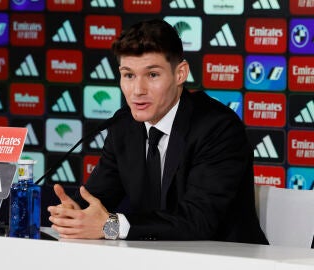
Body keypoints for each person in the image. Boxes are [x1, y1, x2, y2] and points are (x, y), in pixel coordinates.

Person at [47, 19, 269, 244]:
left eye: (152, 75)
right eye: (128, 75)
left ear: (180, 74)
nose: (138, 90)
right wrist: (74, 214)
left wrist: (111, 225)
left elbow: (198, 220)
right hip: (155, 257)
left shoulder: (218, 128)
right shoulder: (124, 126)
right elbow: (96, 199)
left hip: (229, 259)